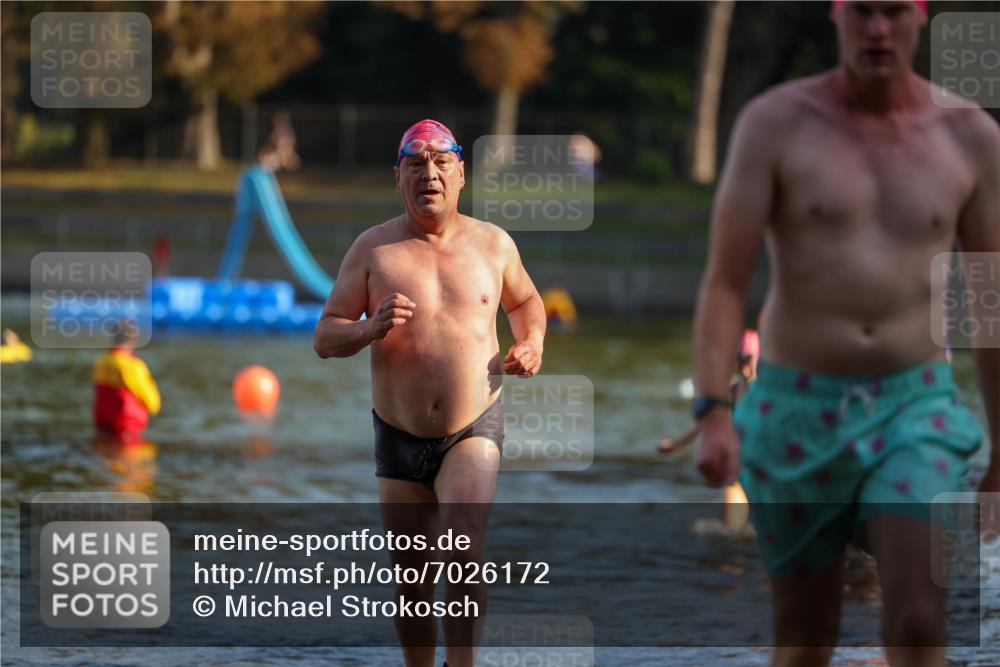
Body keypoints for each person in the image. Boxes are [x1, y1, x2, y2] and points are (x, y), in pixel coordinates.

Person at [691, 2, 999, 665]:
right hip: (794, 407)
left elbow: (990, 302)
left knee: (919, 620)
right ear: (837, 14)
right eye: (863, 11)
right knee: (806, 637)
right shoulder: (773, 125)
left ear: (920, 16)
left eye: (893, 11)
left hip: (914, 406)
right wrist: (714, 409)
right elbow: (723, 282)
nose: (878, 29)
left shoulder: (970, 137)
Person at [313, 119, 546, 667]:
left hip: (473, 426)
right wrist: (368, 329)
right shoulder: (374, 249)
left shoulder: (493, 243)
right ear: (398, 178)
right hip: (396, 435)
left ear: (461, 173)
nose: (429, 173)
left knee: (463, 549)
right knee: (411, 579)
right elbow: (325, 336)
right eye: (415, 164)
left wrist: (532, 342)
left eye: (441, 162)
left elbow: (527, 302)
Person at [92, 320, 161, 443]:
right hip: (126, 429)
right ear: (134, 339)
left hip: (103, 427)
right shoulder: (133, 366)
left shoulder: (101, 362)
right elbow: (153, 403)